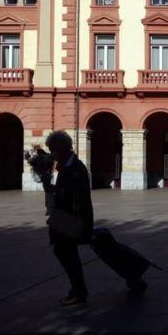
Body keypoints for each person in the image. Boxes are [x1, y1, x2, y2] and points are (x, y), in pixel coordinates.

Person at [45, 130, 94, 306]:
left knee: (66, 253)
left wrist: (55, 190)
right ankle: (77, 289)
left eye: (53, 149)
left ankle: (79, 291)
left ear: (62, 148)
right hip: (65, 217)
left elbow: (75, 195)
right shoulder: (67, 165)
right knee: (64, 252)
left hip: (71, 219)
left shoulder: (75, 168)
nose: (52, 153)